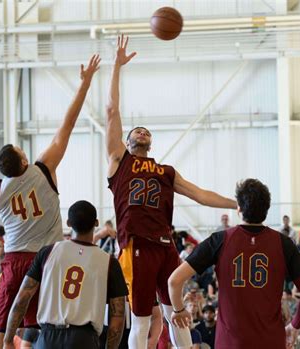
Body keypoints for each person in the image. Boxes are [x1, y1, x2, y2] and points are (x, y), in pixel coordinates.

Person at [0, 54, 101, 349]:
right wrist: (84, 83)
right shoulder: (43, 168)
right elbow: (68, 124)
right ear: (23, 160)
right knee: (44, 325)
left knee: (1, 332)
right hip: (46, 259)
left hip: (15, 260)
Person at [105, 34, 237, 349]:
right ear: (126, 142)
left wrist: (238, 203)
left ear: (151, 143)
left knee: (174, 313)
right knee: (141, 320)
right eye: (136, 130)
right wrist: (117, 66)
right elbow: (112, 111)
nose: (141, 130)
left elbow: (201, 195)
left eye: (145, 130)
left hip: (166, 246)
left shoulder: (166, 172)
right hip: (136, 246)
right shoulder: (118, 163)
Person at [168, 179, 300, 349]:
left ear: (238, 208)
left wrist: (179, 310)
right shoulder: (284, 244)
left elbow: (174, 281)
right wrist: (294, 326)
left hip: (230, 343)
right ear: (267, 209)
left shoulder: (219, 240)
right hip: (271, 342)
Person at [3, 200, 128, 349]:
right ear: (96, 223)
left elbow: (21, 299)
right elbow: (118, 317)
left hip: (48, 338)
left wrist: (8, 339)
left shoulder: (48, 253)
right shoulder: (109, 262)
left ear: (68, 223)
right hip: (84, 339)